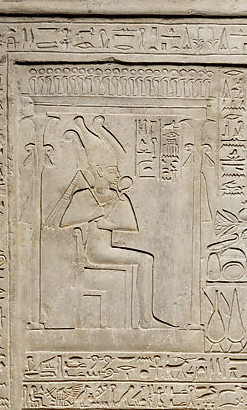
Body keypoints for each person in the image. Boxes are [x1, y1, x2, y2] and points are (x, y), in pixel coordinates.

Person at [45, 116, 174, 328]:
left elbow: (131, 225)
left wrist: (110, 224)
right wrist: (92, 214)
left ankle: (146, 318)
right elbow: (63, 222)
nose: (117, 175)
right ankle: (145, 319)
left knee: (146, 259)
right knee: (145, 260)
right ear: (99, 172)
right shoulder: (83, 196)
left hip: (108, 249)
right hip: (95, 252)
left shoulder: (118, 197)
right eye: (113, 171)